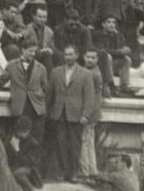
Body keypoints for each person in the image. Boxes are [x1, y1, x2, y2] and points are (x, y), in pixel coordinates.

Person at [47, 44, 97, 181]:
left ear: (77, 56)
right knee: (61, 144)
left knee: (75, 145)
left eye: (71, 54)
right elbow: (50, 94)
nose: (68, 57)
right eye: (66, 55)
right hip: (59, 113)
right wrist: (48, 111)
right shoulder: (56, 72)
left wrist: (86, 115)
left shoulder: (85, 74)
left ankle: (73, 173)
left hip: (76, 115)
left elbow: (89, 97)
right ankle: (62, 172)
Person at [2, 41, 48, 151]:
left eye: (34, 52)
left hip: (36, 108)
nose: (33, 54)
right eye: (30, 51)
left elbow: (46, 87)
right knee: (19, 137)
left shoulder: (41, 68)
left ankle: (33, 160)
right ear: (23, 50)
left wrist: (40, 95)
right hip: (20, 106)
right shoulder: (12, 65)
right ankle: (19, 159)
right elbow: (2, 80)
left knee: (36, 138)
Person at [79, 47, 104, 177]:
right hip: (93, 111)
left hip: (90, 112)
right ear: (84, 57)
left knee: (84, 143)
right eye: (88, 57)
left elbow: (91, 97)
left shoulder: (93, 74)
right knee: (89, 142)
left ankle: (85, 172)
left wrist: (86, 114)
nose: (89, 60)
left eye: (93, 58)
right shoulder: (92, 71)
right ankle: (92, 170)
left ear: (97, 59)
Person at [94, 15, 134, 94]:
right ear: (103, 24)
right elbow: (103, 51)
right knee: (107, 57)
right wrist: (120, 52)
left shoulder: (119, 35)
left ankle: (124, 85)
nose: (111, 25)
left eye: (113, 23)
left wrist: (126, 50)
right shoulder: (99, 35)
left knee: (127, 59)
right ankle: (110, 84)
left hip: (113, 63)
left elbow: (122, 49)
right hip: (102, 63)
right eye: (109, 22)